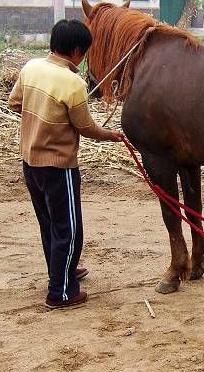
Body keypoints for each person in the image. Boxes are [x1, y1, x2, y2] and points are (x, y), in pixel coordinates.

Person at [9, 19, 123, 310]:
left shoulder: (31, 67)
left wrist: (41, 118)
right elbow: (85, 127)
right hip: (59, 167)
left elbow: (15, 103)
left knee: (49, 225)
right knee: (69, 230)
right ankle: (59, 293)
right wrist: (111, 136)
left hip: (30, 164)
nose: (83, 58)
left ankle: (63, 272)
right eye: (83, 52)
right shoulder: (73, 83)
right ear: (76, 50)